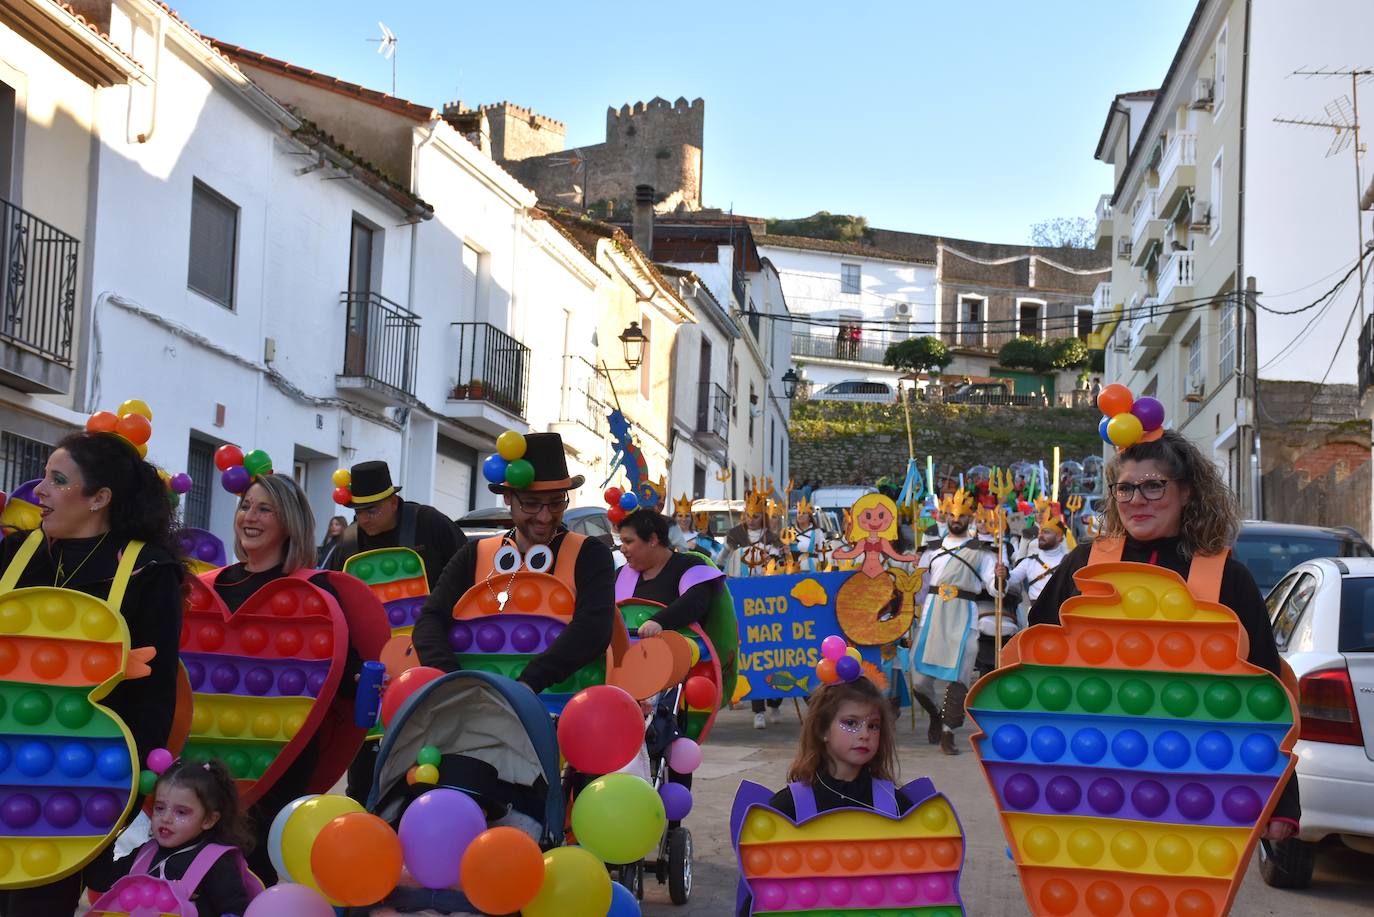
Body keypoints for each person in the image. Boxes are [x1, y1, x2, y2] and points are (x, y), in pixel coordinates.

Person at [1029, 428, 1300, 840]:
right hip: (1091, 777)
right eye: (1124, 488)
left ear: (1186, 492)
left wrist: (1282, 799)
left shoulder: (1227, 577)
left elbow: (1265, 688)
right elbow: (1036, 665)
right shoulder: (1084, 564)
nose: (1136, 500)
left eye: (1154, 486)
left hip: (1194, 786)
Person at [0, 428, 185, 916]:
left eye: (57, 480)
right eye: (43, 477)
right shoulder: (13, 556)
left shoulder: (148, 568)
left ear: (99, 498)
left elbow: (156, 692)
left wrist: (128, 789)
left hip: (78, 782)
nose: (38, 491)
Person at [209, 472, 385, 882]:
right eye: (245, 506)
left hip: (286, 751)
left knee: (261, 867)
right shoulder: (211, 586)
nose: (249, 517)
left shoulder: (318, 592)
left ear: (289, 521)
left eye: (264, 509)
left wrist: (372, 682)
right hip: (212, 748)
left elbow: (341, 672)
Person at [412, 432, 616, 694]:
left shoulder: (589, 554)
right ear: (508, 498)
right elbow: (429, 620)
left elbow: (594, 629)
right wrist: (452, 681)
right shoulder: (474, 554)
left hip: (563, 710)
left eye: (556, 504)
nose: (544, 517)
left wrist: (529, 683)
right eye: (531, 504)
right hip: (476, 704)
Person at [86, 758, 260, 916]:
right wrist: (106, 831)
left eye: (181, 812)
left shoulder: (218, 863)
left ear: (208, 820)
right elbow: (100, 880)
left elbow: (235, 911)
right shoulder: (144, 854)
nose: (166, 818)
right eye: (160, 808)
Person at [910, 489, 1003, 755]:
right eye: (952, 515)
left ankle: (949, 731)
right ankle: (935, 716)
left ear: (971, 518)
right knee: (918, 680)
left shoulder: (984, 552)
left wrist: (999, 576)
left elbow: (995, 590)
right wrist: (909, 579)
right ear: (945, 516)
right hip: (931, 615)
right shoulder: (931, 551)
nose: (957, 520)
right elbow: (917, 593)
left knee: (960, 672)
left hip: (965, 617)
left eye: (962, 516)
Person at [328, 460, 466, 588]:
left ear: (393, 502)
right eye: (358, 512)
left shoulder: (428, 522)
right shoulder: (348, 542)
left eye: (372, 510)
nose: (363, 520)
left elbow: (468, 566)